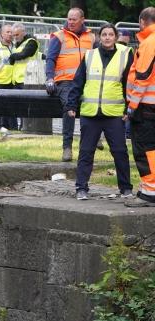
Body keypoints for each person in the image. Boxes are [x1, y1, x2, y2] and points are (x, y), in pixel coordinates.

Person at [65, 24, 133, 200]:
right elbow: (78, 81)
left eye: (111, 34)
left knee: (119, 152)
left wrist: (129, 107)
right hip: (90, 113)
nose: (107, 37)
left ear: (116, 37)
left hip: (114, 113)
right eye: (104, 34)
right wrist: (71, 105)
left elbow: (129, 84)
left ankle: (125, 188)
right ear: (98, 37)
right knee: (86, 152)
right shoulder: (89, 55)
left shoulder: (125, 55)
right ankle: (81, 188)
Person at [45, 8, 96, 162]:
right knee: (70, 106)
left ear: (82, 19)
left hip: (87, 81)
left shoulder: (92, 37)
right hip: (65, 81)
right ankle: (67, 147)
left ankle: (95, 137)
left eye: (74, 19)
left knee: (95, 102)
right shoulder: (59, 36)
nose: (71, 22)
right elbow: (50, 59)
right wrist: (49, 78)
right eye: (69, 19)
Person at [125, 7, 155, 207]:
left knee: (146, 150)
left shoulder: (150, 42)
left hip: (146, 106)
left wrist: (131, 106)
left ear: (142, 21)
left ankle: (149, 192)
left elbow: (143, 76)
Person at [8, 23, 40, 131]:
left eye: (17, 34)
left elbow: (24, 54)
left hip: (27, 79)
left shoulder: (31, 42)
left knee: (26, 105)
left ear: (23, 32)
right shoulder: (17, 44)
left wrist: (12, 56)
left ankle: (27, 127)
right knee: (18, 106)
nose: (15, 37)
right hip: (17, 79)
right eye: (13, 35)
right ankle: (19, 127)